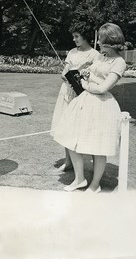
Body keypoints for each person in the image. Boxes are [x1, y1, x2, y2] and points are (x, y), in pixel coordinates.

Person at [54, 23, 126, 192]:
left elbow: (102, 88)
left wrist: (85, 84)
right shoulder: (102, 56)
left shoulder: (119, 62)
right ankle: (79, 179)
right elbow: (92, 73)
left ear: (109, 41)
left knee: (98, 146)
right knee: (70, 137)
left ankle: (95, 185)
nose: (98, 42)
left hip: (102, 105)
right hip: (85, 101)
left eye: (100, 38)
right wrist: (85, 74)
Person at [51, 23, 99, 172]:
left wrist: (82, 76)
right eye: (73, 36)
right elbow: (64, 71)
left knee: (83, 128)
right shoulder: (72, 52)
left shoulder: (94, 54)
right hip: (67, 91)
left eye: (77, 36)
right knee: (66, 126)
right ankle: (68, 161)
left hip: (82, 94)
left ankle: (91, 160)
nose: (74, 39)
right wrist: (66, 76)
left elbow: (94, 76)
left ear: (85, 37)